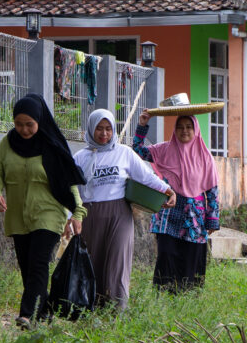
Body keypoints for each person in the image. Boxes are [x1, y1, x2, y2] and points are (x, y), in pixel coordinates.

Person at [0, 93, 86, 329]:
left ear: (39, 121)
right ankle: (44, 312)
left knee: (39, 263)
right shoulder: (7, 143)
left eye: (29, 124)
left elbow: (68, 181)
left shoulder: (51, 146)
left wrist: (78, 212)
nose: (24, 129)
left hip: (48, 213)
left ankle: (27, 314)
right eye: (19, 124)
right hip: (18, 217)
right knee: (27, 267)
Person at [73, 109, 175, 310]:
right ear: (91, 129)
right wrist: (71, 217)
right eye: (99, 129)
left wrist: (167, 189)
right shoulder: (79, 157)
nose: (104, 134)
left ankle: (118, 309)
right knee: (93, 261)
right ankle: (93, 307)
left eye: (108, 129)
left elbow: (145, 176)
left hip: (119, 214)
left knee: (118, 262)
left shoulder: (123, 153)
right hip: (89, 215)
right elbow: (72, 189)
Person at [133, 110, 220, 293]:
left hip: (194, 215)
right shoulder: (164, 150)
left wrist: (212, 219)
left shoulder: (206, 157)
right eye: (180, 127)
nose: (184, 131)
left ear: (196, 130)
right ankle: (164, 296)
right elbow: (138, 150)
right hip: (168, 210)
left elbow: (211, 191)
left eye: (189, 127)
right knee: (166, 253)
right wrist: (142, 125)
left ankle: (188, 297)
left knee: (192, 255)